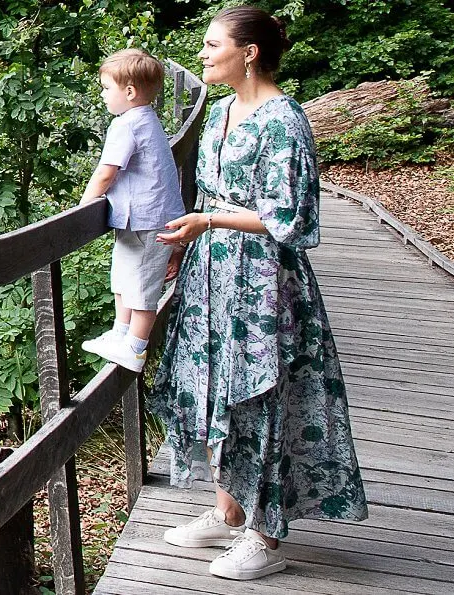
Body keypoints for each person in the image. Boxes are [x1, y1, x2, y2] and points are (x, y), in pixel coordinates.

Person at [150, 5, 368, 581]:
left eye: (213, 43)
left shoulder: (283, 119)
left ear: (248, 52)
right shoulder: (221, 111)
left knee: (263, 397)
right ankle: (229, 509)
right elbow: (207, 196)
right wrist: (185, 241)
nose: (202, 54)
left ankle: (266, 539)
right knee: (217, 389)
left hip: (264, 285)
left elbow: (293, 218)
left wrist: (211, 223)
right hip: (212, 277)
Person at [80, 49, 185, 373]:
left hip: (148, 218)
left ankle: (136, 349)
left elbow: (106, 172)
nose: (102, 95)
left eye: (106, 88)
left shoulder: (126, 125)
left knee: (141, 285)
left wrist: (83, 208)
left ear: (128, 92)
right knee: (124, 276)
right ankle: (120, 334)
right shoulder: (147, 119)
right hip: (144, 217)